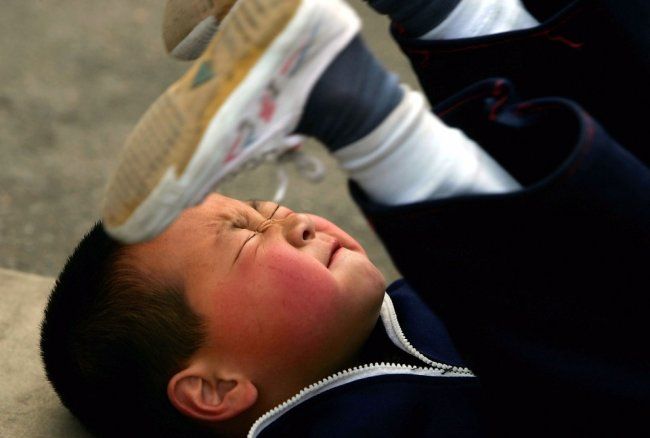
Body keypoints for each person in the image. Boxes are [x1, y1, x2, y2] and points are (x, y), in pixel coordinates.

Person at [40, 0, 649, 437]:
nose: (294, 220)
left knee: (563, 208)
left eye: (262, 210)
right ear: (216, 388)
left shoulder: (419, 303)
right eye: (248, 240)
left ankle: (449, 18)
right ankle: (366, 107)